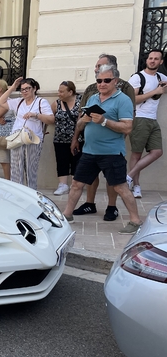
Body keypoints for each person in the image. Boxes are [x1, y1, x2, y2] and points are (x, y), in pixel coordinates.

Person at [63, 64, 142, 235]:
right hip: (90, 151)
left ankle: (135, 221)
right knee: (76, 184)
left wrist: (104, 121)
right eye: (99, 80)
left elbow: (127, 128)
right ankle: (66, 216)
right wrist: (83, 120)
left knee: (120, 187)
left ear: (116, 81)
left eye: (106, 80)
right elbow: (80, 124)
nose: (102, 84)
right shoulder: (92, 98)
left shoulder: (123, 100)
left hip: (112, 152)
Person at [0, 77, 54, 190]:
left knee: (30, 170)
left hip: (33, 139)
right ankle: (17, 194)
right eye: (22, 89)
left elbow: (51, 119)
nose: (24, 91)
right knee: (16, 170)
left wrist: (36, 115)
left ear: (34, 88)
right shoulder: (18, 102)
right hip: (17, 139)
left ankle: (31, 194)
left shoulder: (41, 102)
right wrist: (13, 87)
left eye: (27, 88)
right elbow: (1, 101)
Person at [126, 49, 167, 198]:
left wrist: (164, 84)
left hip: (153, 119)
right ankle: (136, 186)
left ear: (161, 62)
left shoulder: (160, 76)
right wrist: (155, 91)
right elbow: (131, 100)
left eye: (156, 59)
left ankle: (128, 177)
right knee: (136, 154)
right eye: (150, 58)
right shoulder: (138, 78)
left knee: (157, 152)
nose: (152, 61)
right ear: (146, 60)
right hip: (140, 118)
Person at [51, 80, 82, 195]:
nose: (59, 93)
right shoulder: (57, 103)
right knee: (61, 161)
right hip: (60, 138)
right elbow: (50, 117)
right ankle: (63, 185)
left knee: (76, 161)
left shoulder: (80, 102)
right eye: (59, 91)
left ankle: (75, 185)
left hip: (78, 138)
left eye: (62, 91)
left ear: (70, 92)